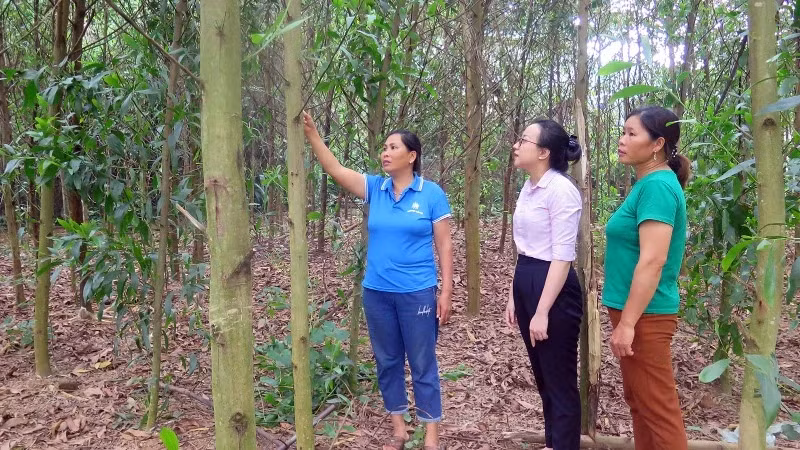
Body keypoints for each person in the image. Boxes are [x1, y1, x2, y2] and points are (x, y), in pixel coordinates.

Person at [302, 111, 453, 450]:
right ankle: (398, 430)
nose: (385, 153)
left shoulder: (431, 194)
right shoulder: (376, 188)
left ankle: (431, 436)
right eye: (384, 147)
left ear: (411, 156)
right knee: (387, 362)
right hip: (377, 293)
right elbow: (335, 170)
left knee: (422, 362)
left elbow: (444, 245)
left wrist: (446, 290)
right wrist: (313, 134)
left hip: (418, 293)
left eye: (393, 147)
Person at [603, 106, 691, 450]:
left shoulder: (657, 187)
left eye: (631, 133)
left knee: (658, 410)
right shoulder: (648, 184)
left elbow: (653, 260)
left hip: (646, 315)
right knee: (641, 404)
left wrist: (628, 323)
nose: (622, 140)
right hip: (635, 312)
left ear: (657, 145)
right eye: (622, 132)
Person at [503, 119, 584, 450]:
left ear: (544, 152)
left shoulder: (561, 191)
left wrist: (542, 311)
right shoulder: (529, 186)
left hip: (554, 289)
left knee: (560, 381)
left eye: (524, 140)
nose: (516, 145)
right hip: (527, 279)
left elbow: (562, 257)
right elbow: (524, 247)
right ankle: (554, 443)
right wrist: (513, 295)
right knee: (544, 378)